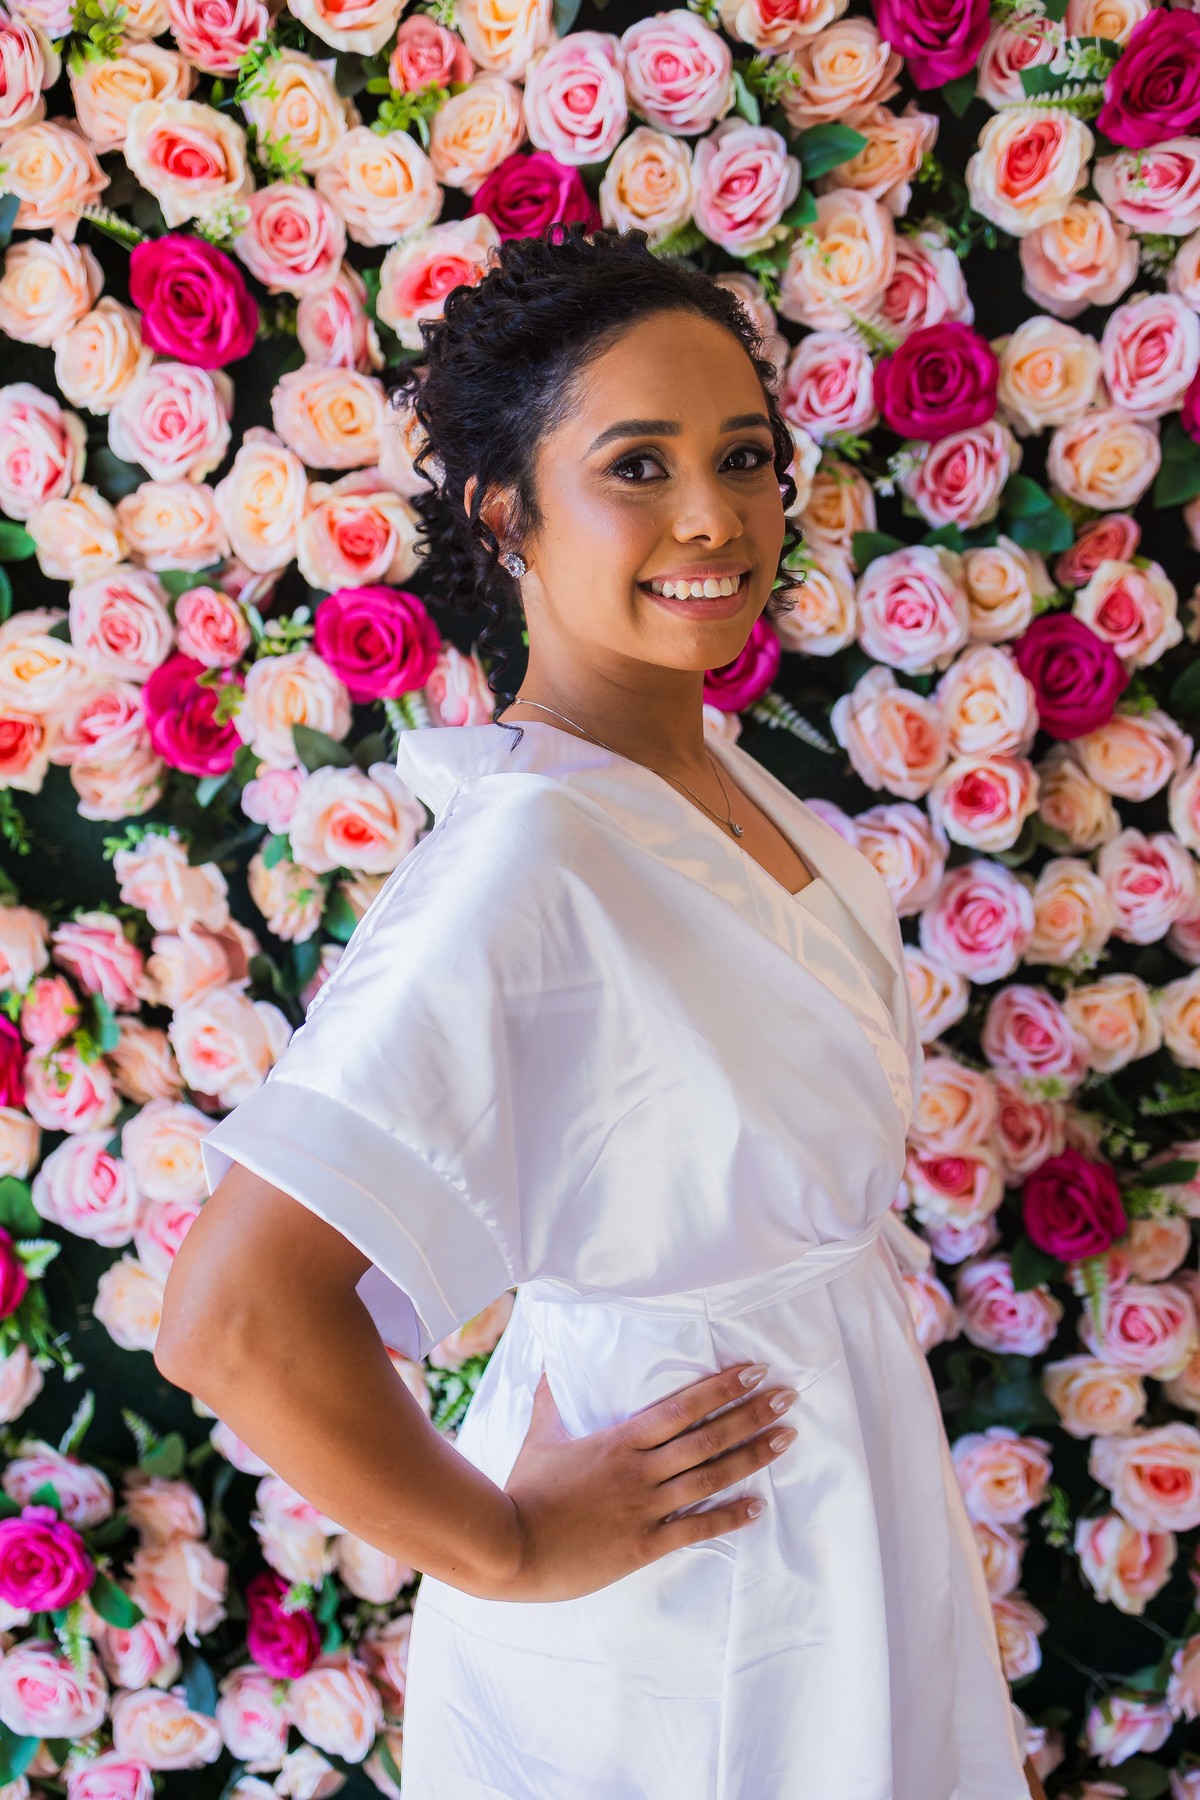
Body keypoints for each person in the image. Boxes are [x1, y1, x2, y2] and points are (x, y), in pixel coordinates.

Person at [156, 225, 1046, 1800]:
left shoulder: (731, 789)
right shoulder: (528, 854)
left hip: (843, 1519)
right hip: (682, 1605)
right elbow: (233, 1317)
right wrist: (501, 1540)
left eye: (745, 457)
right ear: (507, 515)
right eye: (636, 465)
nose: (715, 516)